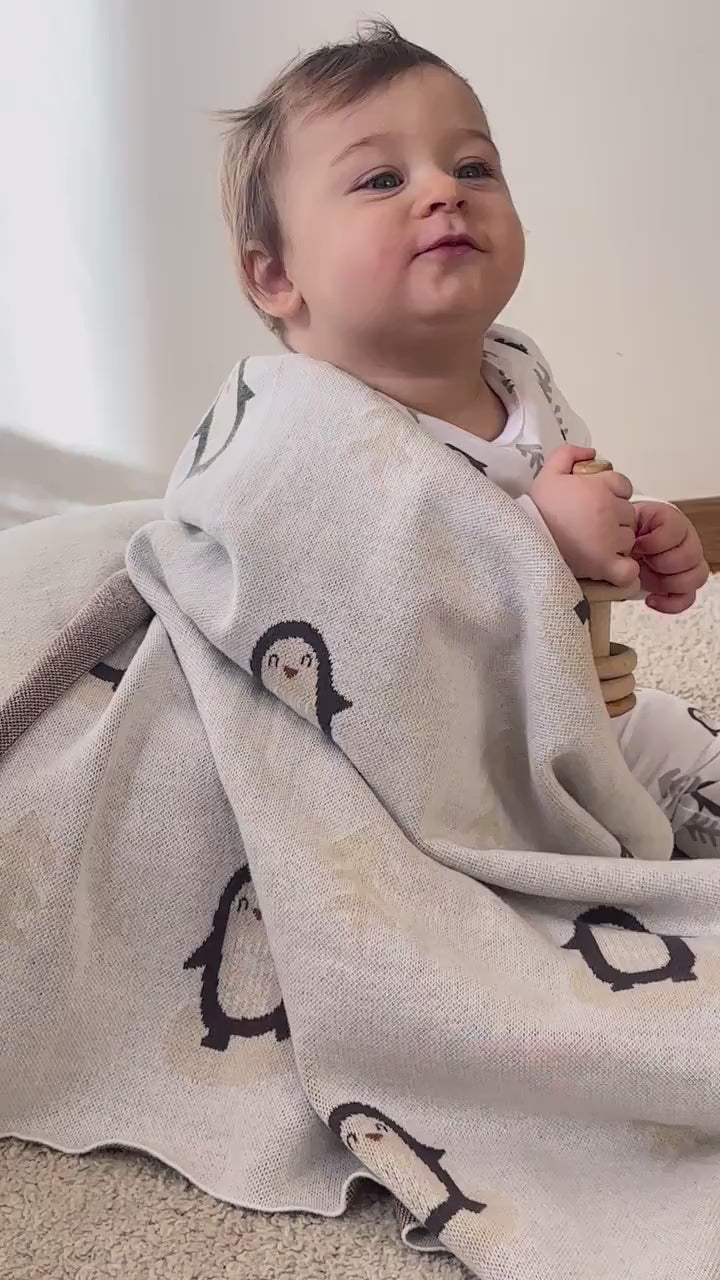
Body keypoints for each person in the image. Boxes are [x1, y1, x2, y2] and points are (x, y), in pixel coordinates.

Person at [216, 19, 716, 854]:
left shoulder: (517, 366)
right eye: (381, 179)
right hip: (406, 764)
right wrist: (536, 536)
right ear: (275, 274)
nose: (444, 190)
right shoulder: (303, 429)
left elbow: (570, 492)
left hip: (570, 712)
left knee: (686, 742)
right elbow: (332, 612)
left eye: (473, 167)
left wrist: (635, 533)